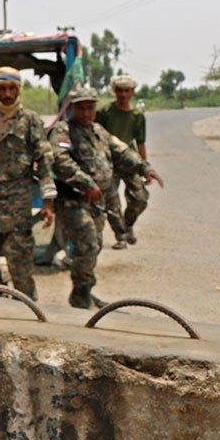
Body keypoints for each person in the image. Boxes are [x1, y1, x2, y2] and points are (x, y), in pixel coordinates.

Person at [49, 87, 164, 309]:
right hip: (73, 200)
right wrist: (87, 183)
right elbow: (61, 160)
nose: (85, 113)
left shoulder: (99, 131)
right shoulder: (63, 132)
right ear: (72, 109)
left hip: (97, 202)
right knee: (88, 243)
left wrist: (144, 168)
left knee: (95, 247)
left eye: (90, 108)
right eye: (80, 109)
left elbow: (121, 151)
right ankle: (80, 297)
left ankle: (83, 291)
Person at [0, 67, 56, 301]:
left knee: (21, 269)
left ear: (19, 90)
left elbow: (44, 161)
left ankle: (27, 311)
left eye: (12, 89)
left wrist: (48, 201)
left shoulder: (30, 120)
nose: (8, 94)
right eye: (2, 89)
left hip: (17, 208)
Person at [95, 74, 150, 248]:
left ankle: (128, 224)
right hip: (108, 162)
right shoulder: (105, 112)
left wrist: (145, 168)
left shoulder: (137, 115)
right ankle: (121, 236)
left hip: (129, 161)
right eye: (119, 91)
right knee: (112, 202)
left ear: (132, 92)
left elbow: (140, 142)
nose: (123, 94)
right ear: (114, 91)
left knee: (140, 199)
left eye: (127, 91)